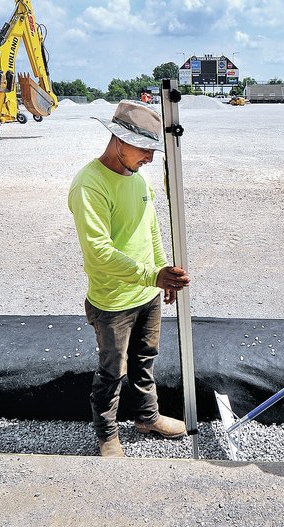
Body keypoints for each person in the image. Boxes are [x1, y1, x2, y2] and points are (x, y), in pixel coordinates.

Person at [69, 100, 191, 458]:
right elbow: (99, 253)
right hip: (113, 302)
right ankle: (107, 436)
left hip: (146, 293)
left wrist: (161, 272)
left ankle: (146, 417)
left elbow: (149, 228)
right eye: (145, 149)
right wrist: (151, 275)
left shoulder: (136, 178)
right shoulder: (89, 185)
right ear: (118, 140)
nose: (150, 159)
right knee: (112, 371)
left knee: (144, 361)